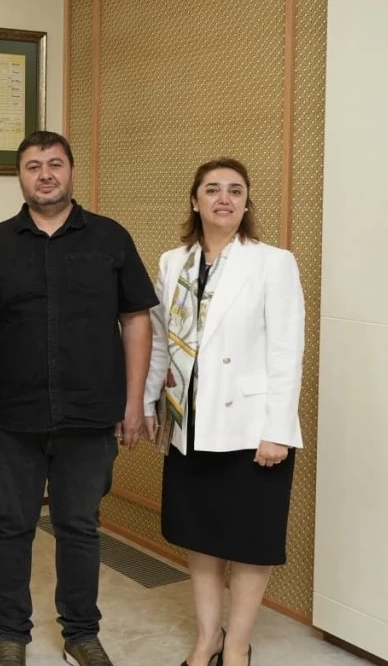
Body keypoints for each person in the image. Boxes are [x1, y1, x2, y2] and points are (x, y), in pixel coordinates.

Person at [0, 131, 157, 666]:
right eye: (33, 166)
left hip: (90, 416)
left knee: (79, 527)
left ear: (71, 171)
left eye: (54, 163)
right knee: (11, 527)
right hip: (12, 418)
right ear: (20, 177)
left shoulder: (111, 239)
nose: (45, 174)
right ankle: (11, 634)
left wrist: (135, 402)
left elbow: (136, 320)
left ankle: (81, 633)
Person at [144, 158, 304, 666]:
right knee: (202, 538)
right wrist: (149, 403)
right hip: (190, 424)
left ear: (246, 201)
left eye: (235, 190)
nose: (224, 198)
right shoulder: (173, 262)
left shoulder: (272, 262)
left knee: (251, 542)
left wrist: (278, 430)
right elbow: (160, 343)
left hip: (252, 428)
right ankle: (208, 637)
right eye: (212, 189)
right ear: (195, 201)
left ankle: (236, 646)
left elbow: (287, 351)